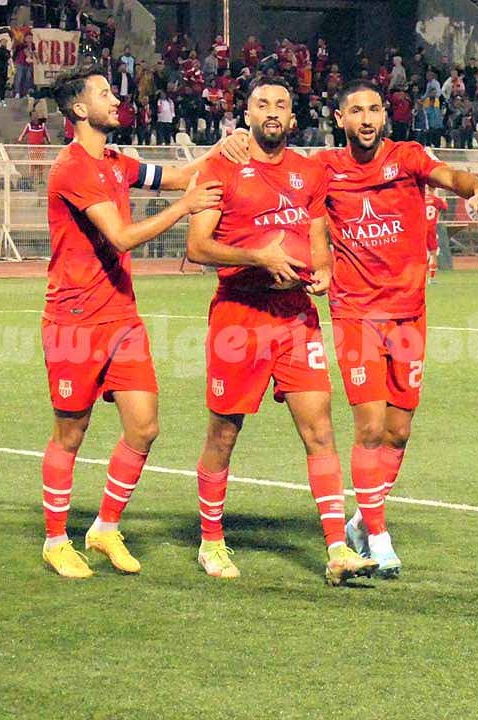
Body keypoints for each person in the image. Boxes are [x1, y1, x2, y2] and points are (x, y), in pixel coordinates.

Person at [37, 64, 243, 579]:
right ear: (79, 108)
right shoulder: (72, 168)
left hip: (121, 317)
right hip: (74, 322)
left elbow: (177, 177)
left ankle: (104, 528)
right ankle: (55, 540)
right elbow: (123, 237)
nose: (116, 99)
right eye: (105, 93)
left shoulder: (114, 162)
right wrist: (185, 208)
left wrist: (224, 148)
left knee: (145, 427)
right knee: (71, 432)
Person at [184, 77, 378, 586]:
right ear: (246, 115)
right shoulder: (219, 168)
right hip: (239, 318)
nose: (272, 111)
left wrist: (324, 270)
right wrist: (258, 257)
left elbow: (317, 235)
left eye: (281, 105)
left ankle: (337, 549)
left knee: (320, 432)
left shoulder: (308, 172)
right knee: (223, 434)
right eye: (262, 104)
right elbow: (198, 247)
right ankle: (210, 541)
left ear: (293, 118)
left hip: (296, 319)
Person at [316, 80, 478, 576]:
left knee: (398, 431)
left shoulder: (407, 156)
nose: (367, 118)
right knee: (370, 427)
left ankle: (363, 518)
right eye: (357, 110)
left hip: (408, 313)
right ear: (340, 119)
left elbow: (451, 175)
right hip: (356, 314)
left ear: (384, 115)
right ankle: (378, 537)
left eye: (374, 109)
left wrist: (477, 189)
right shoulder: (326, 170)